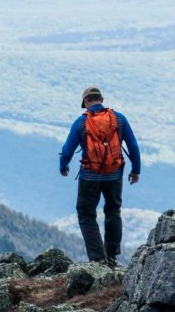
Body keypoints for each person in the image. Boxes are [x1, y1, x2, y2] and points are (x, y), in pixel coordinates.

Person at [59, 86, 141, 267]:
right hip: (114, 175)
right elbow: (133, 146)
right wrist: (136, 170)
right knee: (113, 211)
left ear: (86, 103)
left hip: (90, 176)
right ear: (101, 99)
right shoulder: (119, 119)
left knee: (86, 214)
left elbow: (67, 150)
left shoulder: (81, 123)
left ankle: (97, 259)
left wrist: (63, 165)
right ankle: (111, 256)